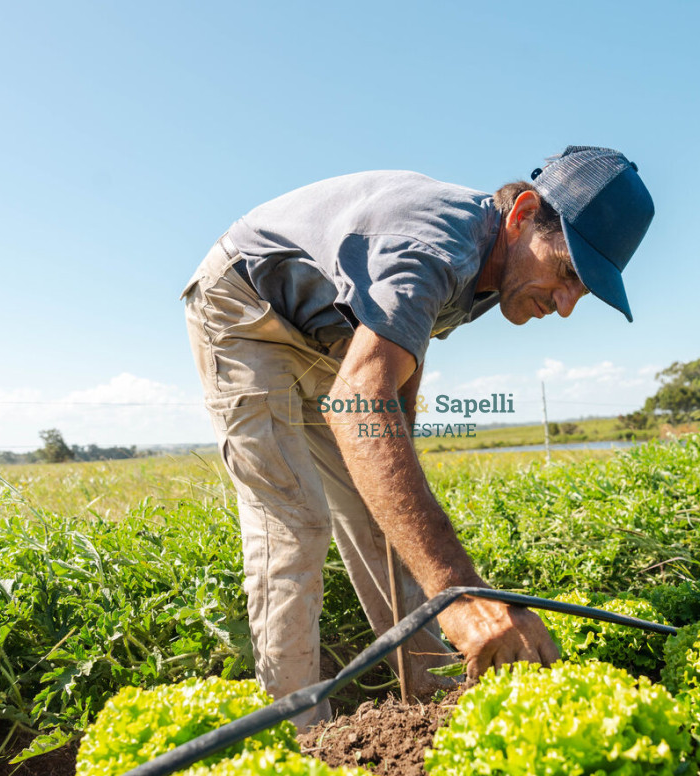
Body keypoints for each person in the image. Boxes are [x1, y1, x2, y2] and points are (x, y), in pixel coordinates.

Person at [182, 146, 654, 728]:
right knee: (297, 522)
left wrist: (398, 447)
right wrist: (463, 592)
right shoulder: (434, 250)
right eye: (565, 273)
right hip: (247, 309)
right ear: (523, 213)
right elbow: (362, 398)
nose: (563, 306)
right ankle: (296, 741)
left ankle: (432, 707)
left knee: (386, 515)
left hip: (329, 335)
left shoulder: (492, 267)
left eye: (580, 293)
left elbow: (403, 353)